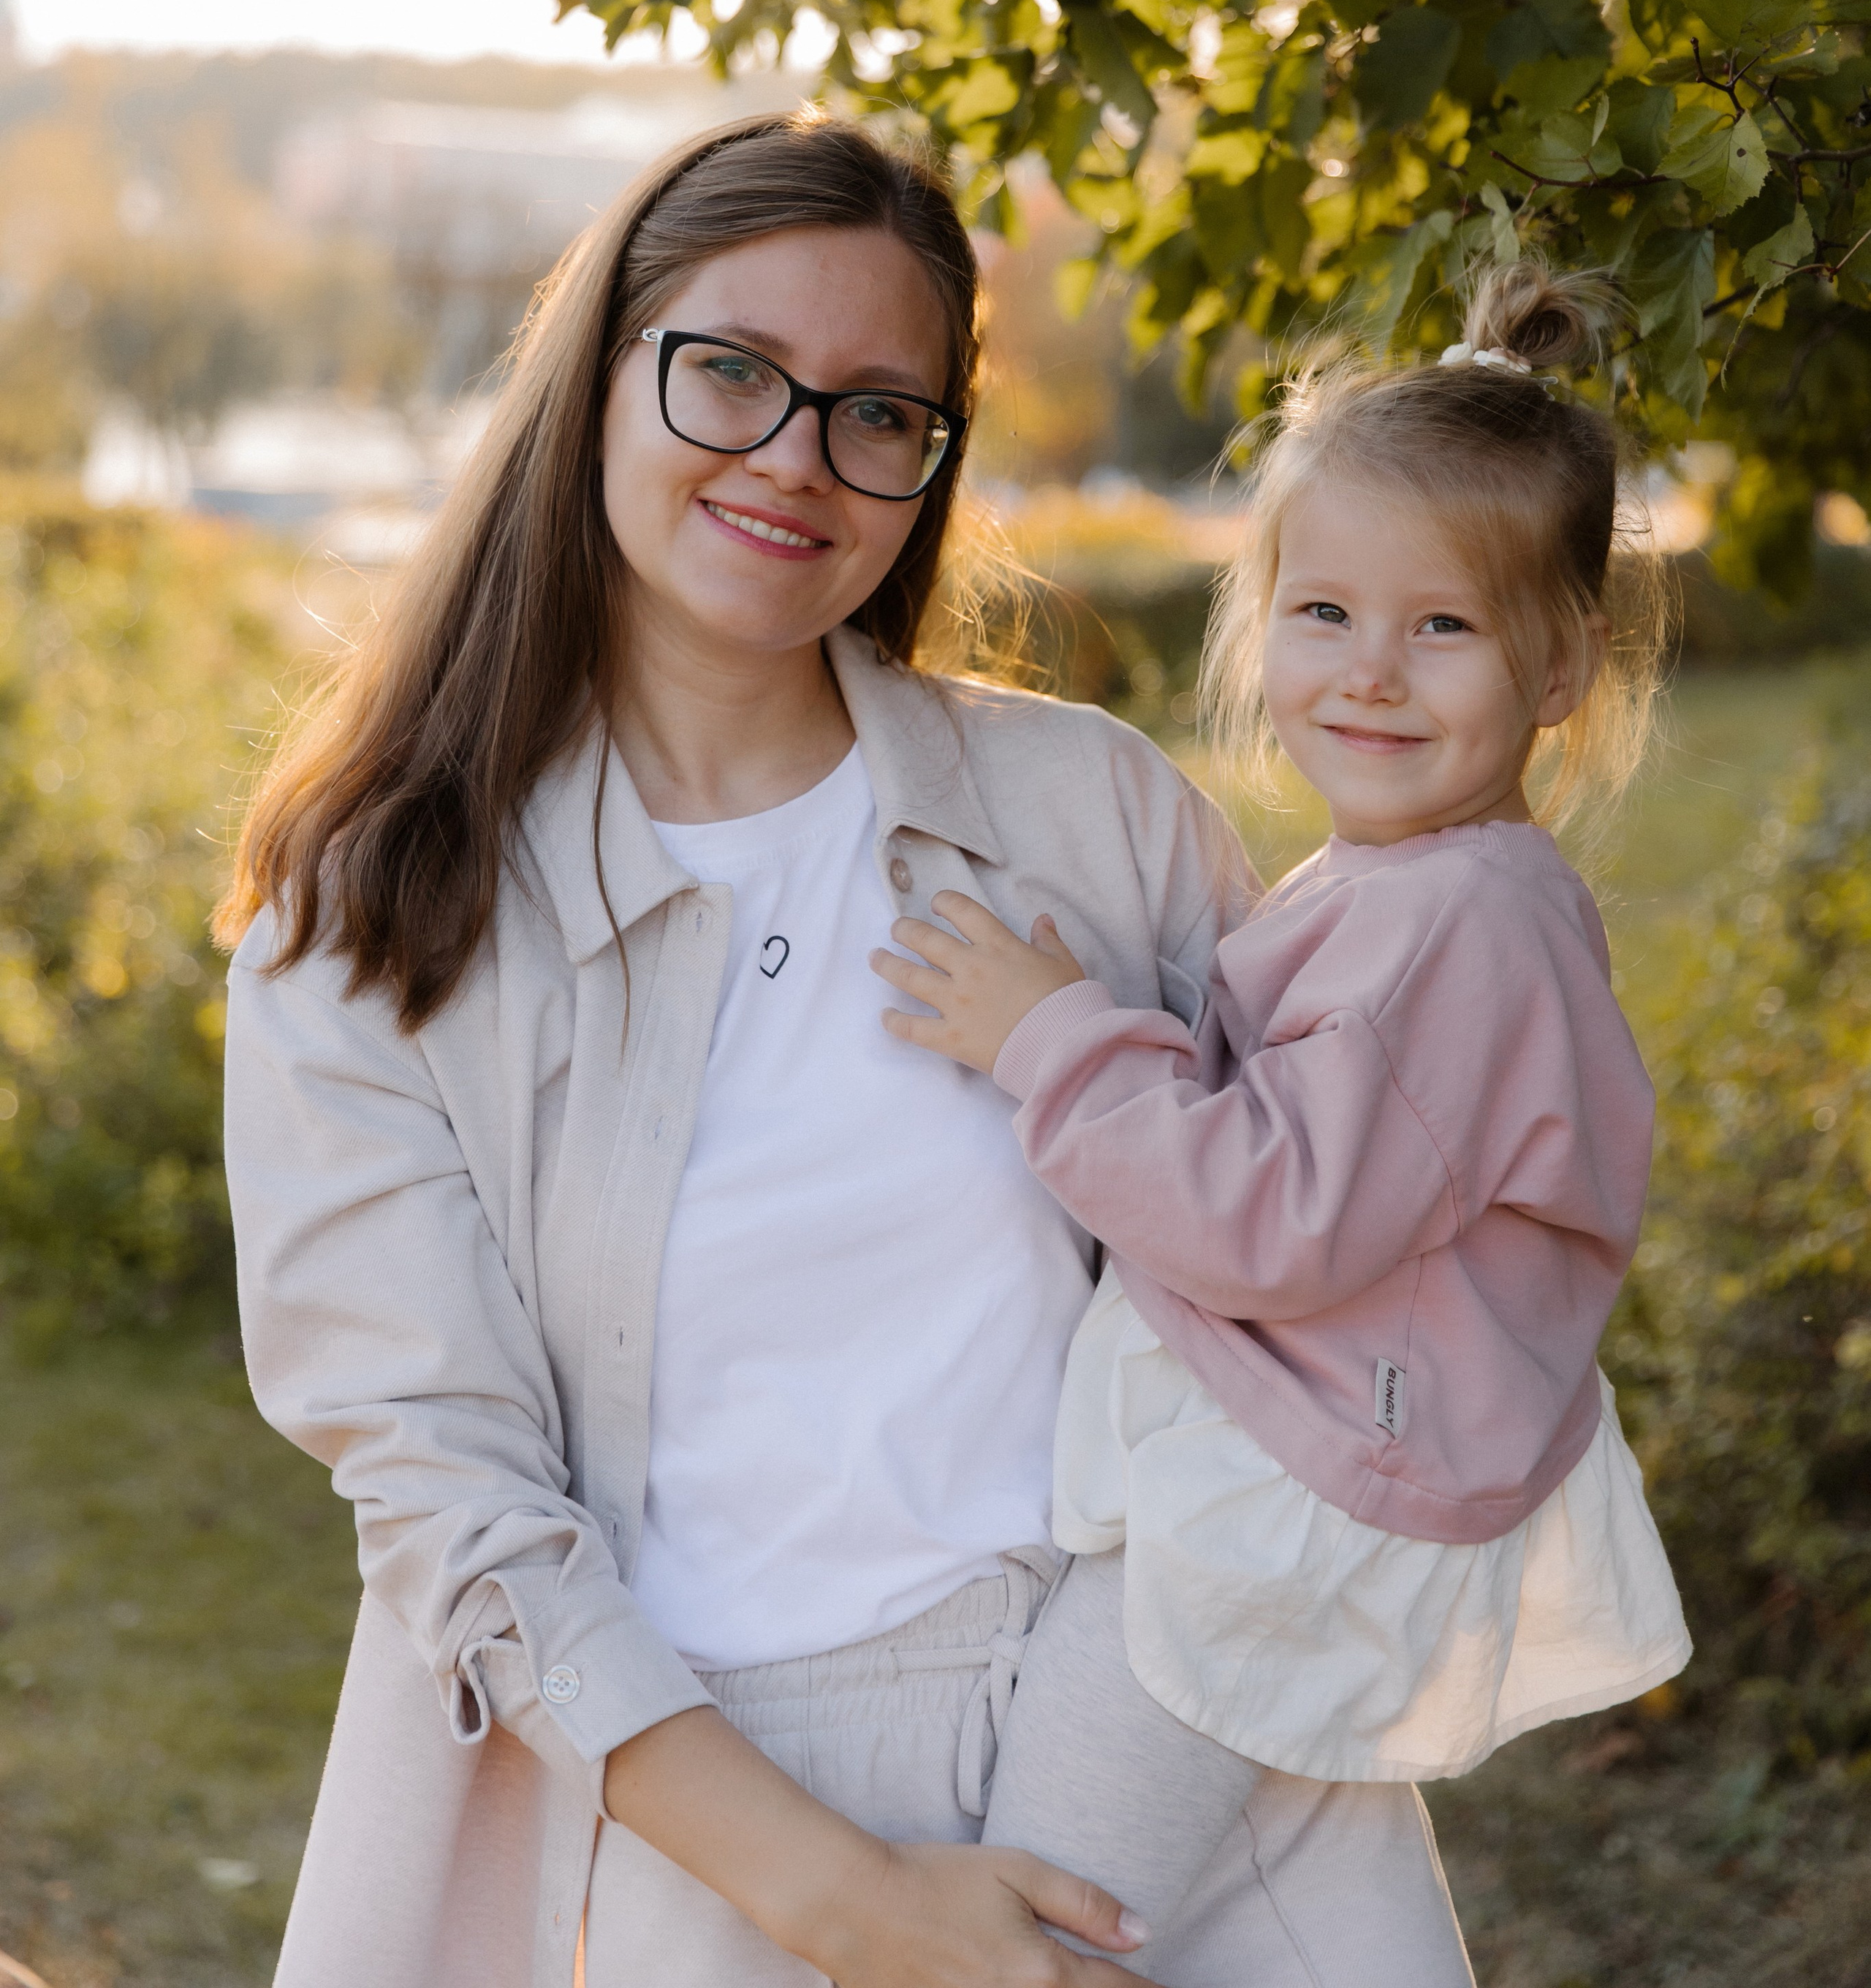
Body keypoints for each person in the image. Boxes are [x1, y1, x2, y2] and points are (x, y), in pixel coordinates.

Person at [219, 110, 1480, 1988]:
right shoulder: (378, 919)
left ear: (929, 462)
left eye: (878, 412)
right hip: (714, 1842)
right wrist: (849, 1907)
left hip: (1178, 1769)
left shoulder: (1091, 816)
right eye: (730, 372)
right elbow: (450, 1500)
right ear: (597, 377)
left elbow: (1324, 1248)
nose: (795, 459)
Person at [876, 262, 1692, 1970]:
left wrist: (1050, 1041)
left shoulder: (1458, 923)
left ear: (1558, 667)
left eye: (1442, 627)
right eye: (1323, 611)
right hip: (1323, 1464)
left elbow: (1271, 1216)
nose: (1370, 673)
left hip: (1294, 1500)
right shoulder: (1421, 885)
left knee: (1041, 1926)